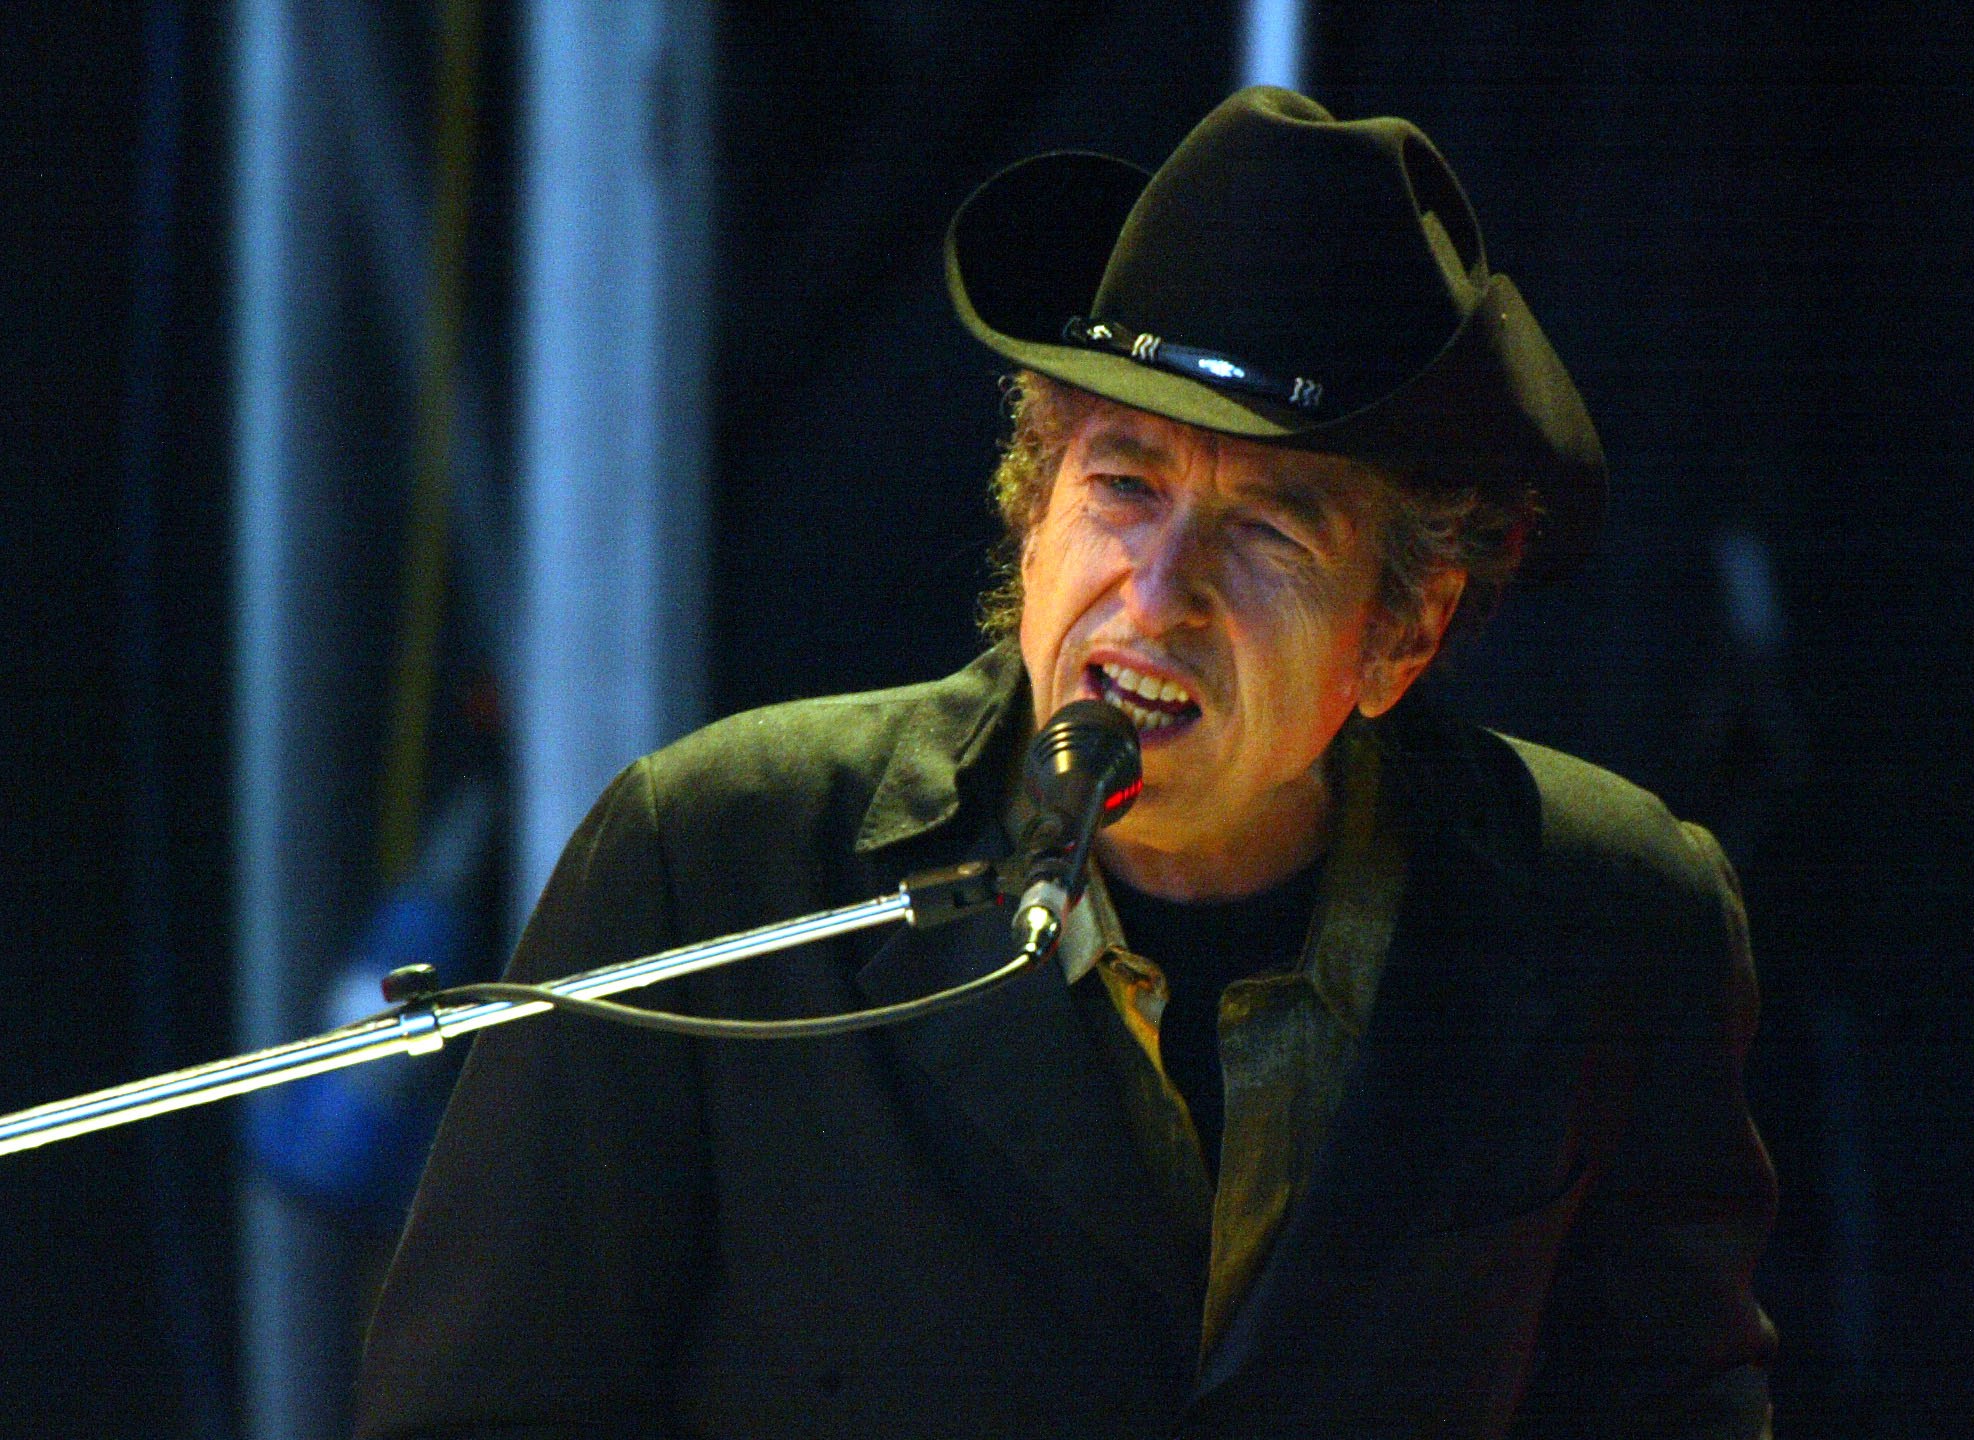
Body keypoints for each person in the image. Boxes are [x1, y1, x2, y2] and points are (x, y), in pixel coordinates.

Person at [355, 87, 1776, 1439]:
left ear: (1403, 633)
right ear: (1030, 521)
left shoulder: (1615, 911)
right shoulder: (720, 855)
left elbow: (1673, 1410)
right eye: (1125, 486)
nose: (1162, 595)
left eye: (1272, 531)